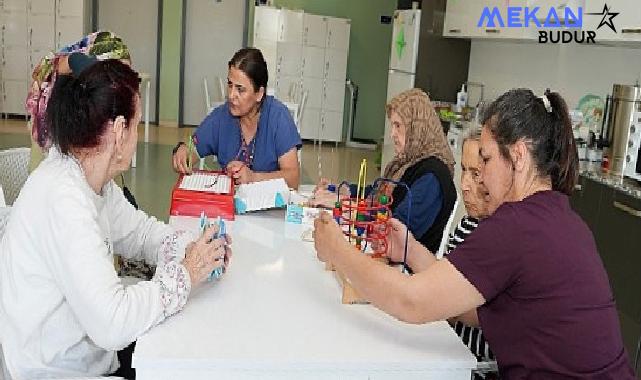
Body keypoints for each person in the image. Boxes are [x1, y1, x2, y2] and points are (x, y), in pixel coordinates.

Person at [313, 89, 634, 379]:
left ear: (518, 157)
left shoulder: (516, 225)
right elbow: (479, 310)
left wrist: (338, 250)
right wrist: (409, 249)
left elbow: (410, 301)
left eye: (486, 159)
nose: (478, 179)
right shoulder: (562, 218)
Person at [0, 60, 232, 379]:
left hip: (89, 348)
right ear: (120, 131)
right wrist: (187, 273)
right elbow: (112, 322)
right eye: (136, 125)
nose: (137, 136)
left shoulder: (91, 177)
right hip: (56, 368)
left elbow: (139, 233)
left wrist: (193, 249)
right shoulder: (63, 198)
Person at [311, 89, 457, 254]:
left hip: (402, 269)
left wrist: (344, 206)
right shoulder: (407, 162)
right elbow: (378, 195)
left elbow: (394, 229)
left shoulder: (433, 177)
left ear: (417, 128)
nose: (392, 134)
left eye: (398, 126)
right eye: (392, 125)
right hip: (380, 251)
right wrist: (339, 190)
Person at [172, 48, 302, 188]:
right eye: (230, 85)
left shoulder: (278, 117)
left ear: (259, 94)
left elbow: (293, 178)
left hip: (270, 205)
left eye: (240, 89)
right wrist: (182, 151)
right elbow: (191, 149)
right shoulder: (221, 118)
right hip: (229, 205)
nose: (231, 95)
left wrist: (253, 178)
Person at [444, 129, 495, 379]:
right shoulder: (467, 224)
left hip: (478, 367)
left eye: (475, 174)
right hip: (451, 350)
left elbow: (450, 303)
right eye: (463, 170)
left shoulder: (500, 237)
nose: (464, 185)